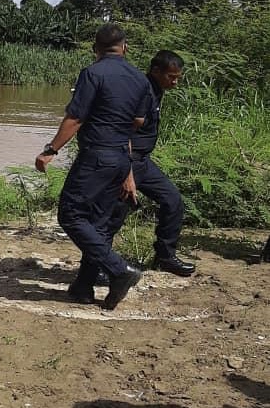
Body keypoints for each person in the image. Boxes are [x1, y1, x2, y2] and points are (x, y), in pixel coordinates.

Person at [35, 23, 151, 310]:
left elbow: (76, 117)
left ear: (96, 49)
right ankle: (83, 288)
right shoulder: (139, 78)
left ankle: (119, 270)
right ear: (125, 47)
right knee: (98, 224)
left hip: (96, 157)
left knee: (71, 215)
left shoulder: (92, 73)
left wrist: (51, 150)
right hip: (121, 156)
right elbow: (138, 122)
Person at [101, 50, 195, 278]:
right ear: (155, 71)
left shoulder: (156, 90)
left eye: (177, 78)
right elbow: (123, 132)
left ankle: (165, 256)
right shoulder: (141, 91)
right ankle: (98, 266)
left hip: (143, 162)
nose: (174, 82)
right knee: (114, 216)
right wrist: (127, 173)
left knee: (173, 201)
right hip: (127, 162)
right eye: (171, 77)